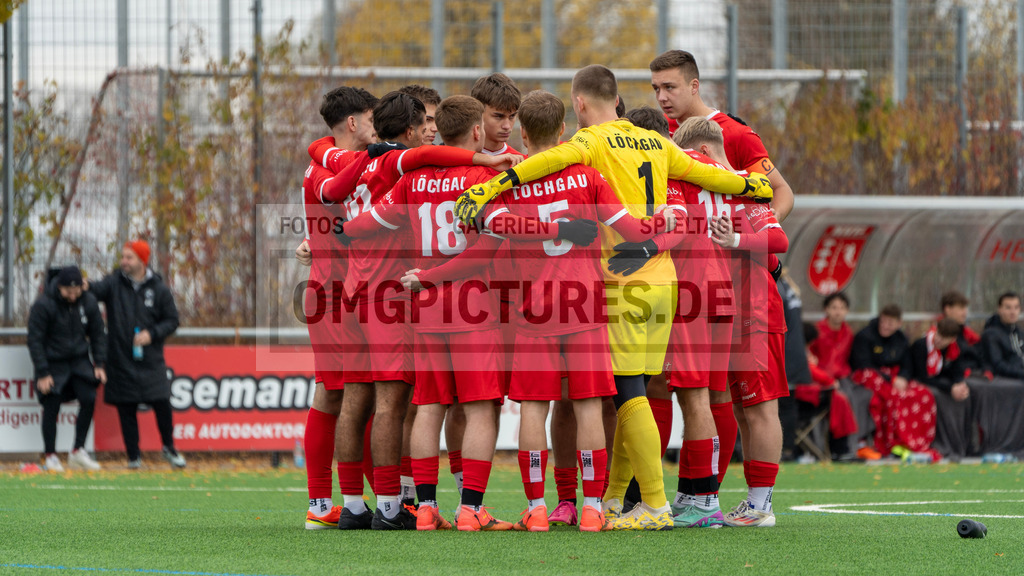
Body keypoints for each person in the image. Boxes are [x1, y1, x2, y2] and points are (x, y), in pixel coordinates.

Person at [453, 64, 773, 531]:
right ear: (617, 98)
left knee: (626, 395)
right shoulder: (657, 142)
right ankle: (617, 499)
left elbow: (541, 164)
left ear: (579, 104)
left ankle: (654, 505)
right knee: (638, 392)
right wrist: (750, 184)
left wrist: (493, 185)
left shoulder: (589, 143)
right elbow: (707, 175)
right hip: (663, 280)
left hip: (618, 282)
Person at [674, 116, 790, 528]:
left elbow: (778, 239)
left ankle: (761, 504)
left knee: (759, 407)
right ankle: (705, 495)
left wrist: (736, 239)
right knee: (734, 405)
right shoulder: (731, 186)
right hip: (723, 308)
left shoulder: (744, 184)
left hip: (754, 308)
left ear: (703, 151)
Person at [297, 86, 378, 530]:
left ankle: (365, 498)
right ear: (352, 122)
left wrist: (313, 239)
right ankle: (322, 502)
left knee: (350, 392)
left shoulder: (334, 157)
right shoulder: (331, 164)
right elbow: (333, 195)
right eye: (370, 118)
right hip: (333, 293)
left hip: (345, 288)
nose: (375, 126)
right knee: (339, 393)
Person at [650, 49, 795, 222]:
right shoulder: (656, 131)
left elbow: (780, 188)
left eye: (669, 87)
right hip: (677, 235)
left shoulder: (737, 134)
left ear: (694, 86)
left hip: (723, 235)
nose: (661, 97)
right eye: (656, 89)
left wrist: (773, 218)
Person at [88, 240, 184, 469]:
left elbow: (172, 320)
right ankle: (133, 457)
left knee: (162, 402)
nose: (124, 261)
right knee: (126, 407)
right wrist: (82, 284)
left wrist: (152, 334)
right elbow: (94, 289)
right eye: (123, 257)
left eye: (129, 257)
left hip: (151, 360)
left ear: (142, 260)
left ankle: (169, 448)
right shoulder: (114, 283)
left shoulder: (159, 289)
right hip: (120, 358)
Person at [27, 266, 107, 472]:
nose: (72, 296)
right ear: (59, 287)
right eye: (68, 292)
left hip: (79, 361)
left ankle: (78, 451)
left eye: (76, 291)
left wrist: (99, 364)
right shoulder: (43, 305)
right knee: (51, 403)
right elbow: (35, 340)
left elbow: (98, 334)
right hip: (52, 363)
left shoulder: (88, 301)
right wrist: (43, 372)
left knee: (89, 398)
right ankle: (50, 456)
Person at [850, 304, 936, 456]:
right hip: (871, 376)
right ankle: (891, 440)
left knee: (923, 394)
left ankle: (914, 441)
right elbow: (863, 364)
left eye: (890, 323)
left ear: (898, 324)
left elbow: (907, 364)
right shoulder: (865, 336)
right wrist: (891, 378)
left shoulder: (901, 339)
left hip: (895, 378)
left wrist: (903, 377)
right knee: (892, 397)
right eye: (883, 321)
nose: (885, 326)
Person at [907, 318, 969, 461]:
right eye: (939, 334)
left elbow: (957, 371)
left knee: (964, 396)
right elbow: (922, 376)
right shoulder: (921, 345)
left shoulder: (954, 349)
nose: (939, 340)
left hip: (940, 383)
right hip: (920, 382)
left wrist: (959, 385)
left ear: (952, 339)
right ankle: (938, 443)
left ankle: (959, 443)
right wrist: (950, 388)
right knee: (936, 396)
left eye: (944, 338)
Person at [471, 73, 524, 156]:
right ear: (477, 112)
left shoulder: (520, 161)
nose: (507, 126)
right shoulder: (455, 158)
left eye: (512, 116)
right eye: (499, 116)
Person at [980, 292, 1024, 380]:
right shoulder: (991, 335)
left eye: (1016, 307)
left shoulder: (1019, 332)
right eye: (1008, 307)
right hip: (1007, 381)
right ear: (999, 309)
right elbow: (998, 365)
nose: (1013, 312)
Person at [810, 292, 853, 381]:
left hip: (843, 377)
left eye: (842, 308)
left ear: (847, 311)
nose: (838, 312)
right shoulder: (816, 331)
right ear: (826, 309)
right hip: (819, 378)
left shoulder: (848, 333)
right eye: (834, 308)